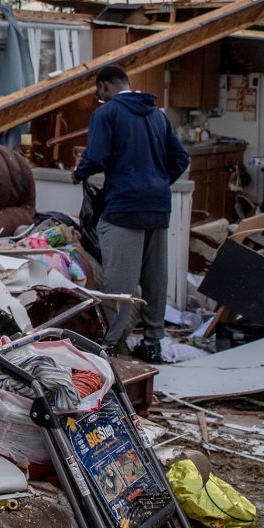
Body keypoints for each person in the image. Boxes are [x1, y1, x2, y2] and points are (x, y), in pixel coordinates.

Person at [72, 64, 190, 364]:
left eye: (100, 92)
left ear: (104, 87)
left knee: (120, 283)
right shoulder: (157, 115)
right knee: (155, 278)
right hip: (158, 206)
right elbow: (180, 158)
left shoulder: (106, 114)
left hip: (123, 207)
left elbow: (96, 157)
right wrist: (159, 183)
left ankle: (109, 345)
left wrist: (79, 172)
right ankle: (152, 343)